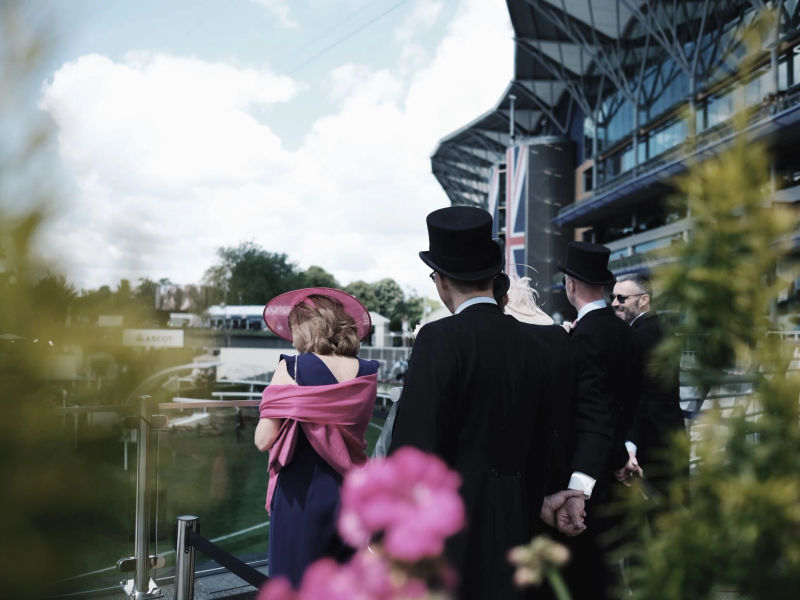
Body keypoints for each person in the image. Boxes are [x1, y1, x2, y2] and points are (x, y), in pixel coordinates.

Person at [389, 206, 583, 600]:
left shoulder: (437, 339)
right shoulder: (535, 344)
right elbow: (546, 439)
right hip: (521, 518)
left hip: (452, 526)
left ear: (441, 280)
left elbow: (414, 447)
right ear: (495, 278)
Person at [255, 287, 379, 586]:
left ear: (306, 328)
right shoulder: (367, 372)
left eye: (294, 327)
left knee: (295, 584)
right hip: (349, 491)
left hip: (302, 493)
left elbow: (263, 440)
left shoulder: (293, 367)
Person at [557, 241, 638, 600]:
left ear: (570, 284)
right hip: (617, 465)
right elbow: (630, 402)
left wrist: (579, 486)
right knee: (608, 571)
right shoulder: (625, 332)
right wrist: (626, 454)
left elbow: (593, 412)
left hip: (587, 474)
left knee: (586, 577)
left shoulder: (584, 337)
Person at [611, 273, 687, 496]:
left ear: (644, 299)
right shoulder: (660, 329)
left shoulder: (639, 335)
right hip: (668, 435)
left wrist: (630, 445)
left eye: (622, 298)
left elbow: (641, 395)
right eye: (613, 297)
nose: (615, 303)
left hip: (651, 442)